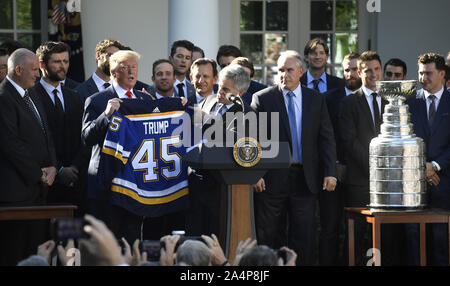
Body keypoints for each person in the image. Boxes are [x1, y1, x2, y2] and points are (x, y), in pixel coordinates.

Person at [251, 50, 337, 266]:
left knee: (304, 238)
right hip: (271, 179)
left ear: (301, 71)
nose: (284, 75)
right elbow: (252, 139)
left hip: (305, 178)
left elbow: (326, 138)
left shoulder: (315, 99)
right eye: (280, 70)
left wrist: (330, 172)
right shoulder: (263, 98)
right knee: (269, 236)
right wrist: (255, 173)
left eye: (289, 70)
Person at [82, 50, 154, 243]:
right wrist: (105, 115)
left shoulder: (145, 100)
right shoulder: (97, 100)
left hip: (136, 184)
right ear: (114, 73)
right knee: (106, 243)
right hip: (106, 184)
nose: (132, 71)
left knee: (132, 241)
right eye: (126, 67)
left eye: (134, 67)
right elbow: (86, 137)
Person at [0, 48, 57, 265]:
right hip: (16, 194)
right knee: (14, 253)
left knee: (36, 252)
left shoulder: (31, 93)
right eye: (34, 69)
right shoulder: (4, 97)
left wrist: (52, 166)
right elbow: (10, 144)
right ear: (18, 70)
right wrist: (38, 173)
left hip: (38, 192)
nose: (38, 74)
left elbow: (46, 133)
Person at [31, 41, 89, 216]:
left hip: (75, 182)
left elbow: (83, 136)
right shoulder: (31, 96)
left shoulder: (75, 96)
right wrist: (60, 169)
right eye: (57, 62)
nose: (63, 66)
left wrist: (75, 168)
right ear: (42, 64)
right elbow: (35, 140)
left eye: (65, 61)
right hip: (44, 184)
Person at [406, 53, 450, 266]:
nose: (423, 78)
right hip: (414, 184)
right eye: (421, 73)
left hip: (445, 183)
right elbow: (404, 139)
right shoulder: (409, 102)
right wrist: (422, 169)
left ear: (442, 74)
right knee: (413, 239)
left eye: (429, 73)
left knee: (441, 240)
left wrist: (435, 166)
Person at [319, 52, 361, 265]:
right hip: (333, 173)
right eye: (346, 69)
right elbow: (324, 135)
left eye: (354, 69)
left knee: (357, 229)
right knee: (330, 228)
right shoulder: (328, 98)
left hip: (360, 174)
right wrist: (333, 165)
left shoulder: (370, 98)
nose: (350, 74)